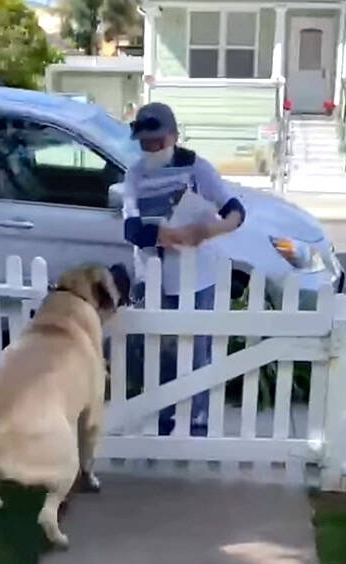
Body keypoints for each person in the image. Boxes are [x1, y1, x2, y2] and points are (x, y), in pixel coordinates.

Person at [122, 102, 246, 436]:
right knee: (161, 351)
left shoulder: (197, 168)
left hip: (198, 273)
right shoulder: (135, 173)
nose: (151, 148)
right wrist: (165, 235)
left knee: (198, 349)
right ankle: (163, 423)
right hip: (155, 273)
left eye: (158, 141)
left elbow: (234, 210)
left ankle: (198, 423)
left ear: (174, 137)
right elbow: (130, 227)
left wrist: (210, 230)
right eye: (145, 142)